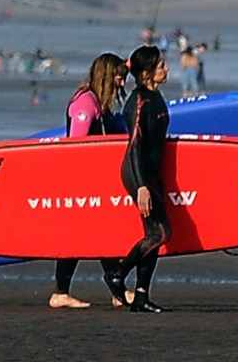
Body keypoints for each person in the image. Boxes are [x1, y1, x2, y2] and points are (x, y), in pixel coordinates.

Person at [49, 53, 135, 309]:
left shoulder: (102, 105)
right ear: (106, 76)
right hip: (80, 182)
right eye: (119, 78)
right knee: (96, 235)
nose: (122, 84)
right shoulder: (86, 103)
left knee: (88, 237)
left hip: (95, 181)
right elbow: (76, 146)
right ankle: (117, 292)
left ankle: (64, 292)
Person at [104, 45, 171, 313]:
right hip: (137, 174)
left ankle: (141, 295)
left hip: (150, 175)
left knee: (152, 236)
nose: (166, 69)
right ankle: (118, 273)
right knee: (161, 232)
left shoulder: (155, 95)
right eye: (161, 66)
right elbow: (134, 147)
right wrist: (142, 185)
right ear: (146, 74)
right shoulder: (140, 102)